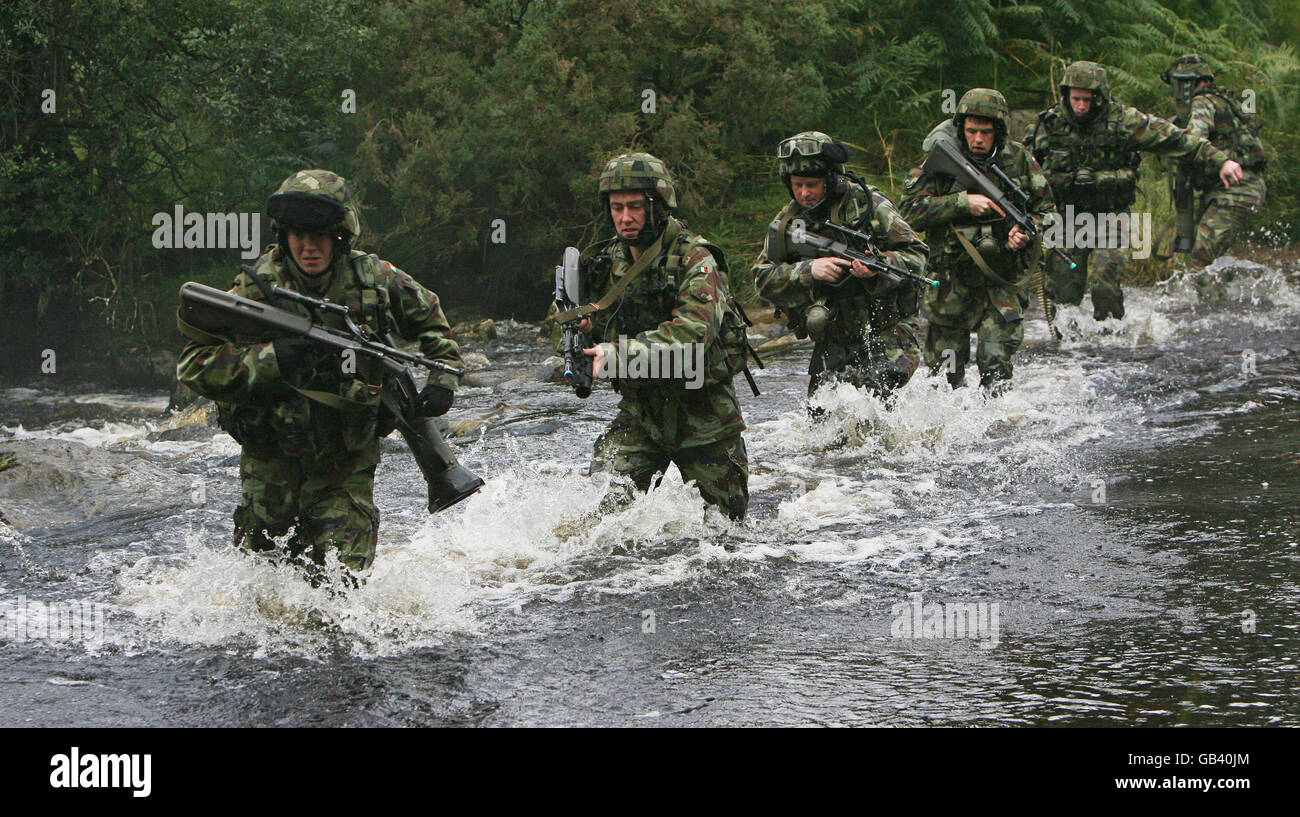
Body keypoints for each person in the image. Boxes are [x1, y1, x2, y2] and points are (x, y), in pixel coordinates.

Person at [177, 169, 464, 579]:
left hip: (345, 461)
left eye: (320, 235)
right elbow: (193, 366)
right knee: (264, 590)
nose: (309, 247)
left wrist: (442, 381)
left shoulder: (375, 278)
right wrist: (272, 360)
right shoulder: (254, 290)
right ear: (283, 235)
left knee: (343, 588)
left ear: (340, 235)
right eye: (298, 235)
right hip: (271, 462)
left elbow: (433, 323)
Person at [574, 152, 749, 521]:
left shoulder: (696, 259)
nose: (625, 217)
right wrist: (586, 332)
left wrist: (616, 355)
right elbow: (583, 323)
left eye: (635, 207)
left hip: (704, 415)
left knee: (725, 536)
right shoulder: (606, 263)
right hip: (641, 414)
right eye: (617, 207)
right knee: (597, 526)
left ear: (657, 206)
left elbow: (691, 339)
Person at [1027, 61, 1243, 320]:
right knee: (1062, 296)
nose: (1082, 106)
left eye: (1088, 99)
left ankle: (1113, 341)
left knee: (1103, 284)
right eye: (1076, 99)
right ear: (1066, 96)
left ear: (1101, 97)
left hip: (1112, 215)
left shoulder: (1124, 121)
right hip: (1065, 218)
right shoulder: (1049, 125)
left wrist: (1221, 160)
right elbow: (1022, 167)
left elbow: (1177, 139)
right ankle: (1070, 349)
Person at [750, 131, 929, 401]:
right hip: (834, 335)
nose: (804, 193)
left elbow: (917, 257)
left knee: (875, 398)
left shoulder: (870, 206)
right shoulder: (788, 222)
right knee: (823, 419)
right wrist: (808, 271)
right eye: (797, 185)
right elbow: (762, 279)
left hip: (888, 328)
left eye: (812, 184)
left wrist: (879, 266)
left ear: (831, 179)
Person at [900, 89, 1055, 391]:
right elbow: (906, 212)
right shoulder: (940, 157)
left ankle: (997, 433)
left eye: (986, 132)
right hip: (949, 281)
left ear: (999, 130)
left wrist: (1025, 232)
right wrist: (962, 203)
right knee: (945, 380)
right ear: (961, 128)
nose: (978, 139)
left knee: (996, 374)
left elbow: (1047, 211)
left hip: (1001, 280)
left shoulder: (1020, 158)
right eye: (971, 131)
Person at [1161, 54, 1268, 266]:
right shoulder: (1224, 100)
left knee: (1201, 259)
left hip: (1234, 189)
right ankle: (1235, 293)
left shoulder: (1202, 101)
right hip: (1236, 188)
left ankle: (1222, 297)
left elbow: (1193, 139)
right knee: (1211, 259)